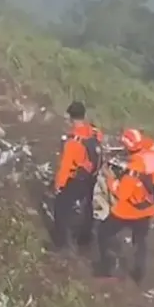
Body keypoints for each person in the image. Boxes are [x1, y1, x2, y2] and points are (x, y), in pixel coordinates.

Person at [94, 128, 154, 284]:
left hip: (128, 211)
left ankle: (108, 268)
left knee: (104, 232)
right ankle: (139, 273)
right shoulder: (151, 157)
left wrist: (111, 179)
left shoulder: (134, 170)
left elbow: (121, 193)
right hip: (147, 208)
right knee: (140, 240)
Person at [50, 101, 104, 252]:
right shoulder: (94, 132)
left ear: (70, 117)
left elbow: (65, 167)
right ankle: (85, 239)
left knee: (61, 207)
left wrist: (58, 186)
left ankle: (61, 244)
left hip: (77, 178)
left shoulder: (73, 142)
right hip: (92, 175)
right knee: (88, 206)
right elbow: (99, 142)